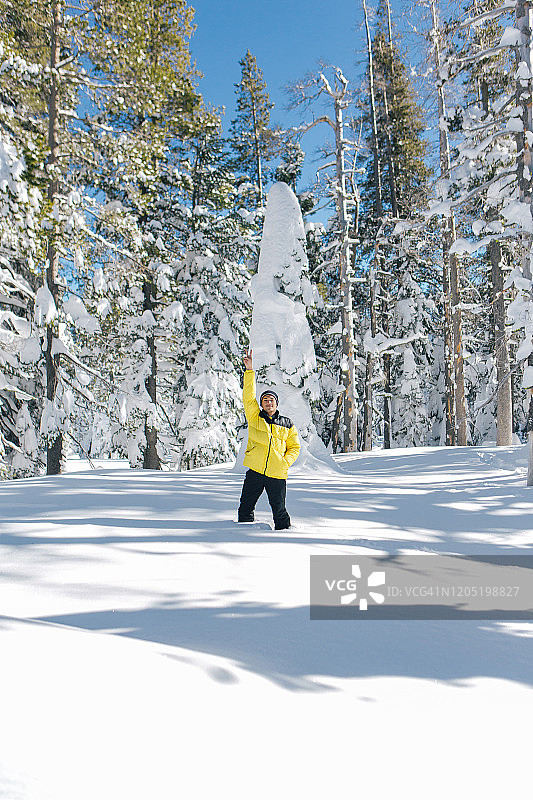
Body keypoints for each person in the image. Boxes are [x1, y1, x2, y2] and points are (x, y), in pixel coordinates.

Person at [237, 349, 300, 530]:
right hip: (255, 471)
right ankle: (239, 536)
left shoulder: (287, 423)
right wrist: (249, 371)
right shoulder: (255, 417)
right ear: (262, 404)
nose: (268, 403)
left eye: (271, 400)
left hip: (277, 473)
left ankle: (285, 537)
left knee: (279, 510)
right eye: (265, 400)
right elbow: (248, 398)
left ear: (276, 404)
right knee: (246, 507)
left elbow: (294, 447)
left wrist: (284, 463)